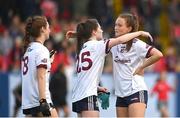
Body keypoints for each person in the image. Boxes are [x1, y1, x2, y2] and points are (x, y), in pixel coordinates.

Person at [66, 19, 153, 117]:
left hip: (77, 97)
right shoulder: (98, 45)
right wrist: (139, 32)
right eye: (100, 28)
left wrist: (97, 88)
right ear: (94, 31)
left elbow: (83, 77)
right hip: (87, 96)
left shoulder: (82, 49)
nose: (102, 31)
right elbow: (120, 40)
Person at [110, 13, 163, 117]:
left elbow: (158, 54)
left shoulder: (137, 44)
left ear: (129, 28)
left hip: (136, 91)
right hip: (120, 94)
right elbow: (95, 40)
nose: (116, 27)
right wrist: (77, 34)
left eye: (120, 25)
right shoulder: (113, 44)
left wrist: (141, 66)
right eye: (115, 24)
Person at [21, 16, 58, 117]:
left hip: (28, 103)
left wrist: (49, 63)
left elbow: (36, 74)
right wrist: (43, 101)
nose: (50, 30)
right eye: (48, 27)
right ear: (42, 29)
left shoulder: (28, 50)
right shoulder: (41, 50)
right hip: (40, 101)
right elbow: (40, 77)